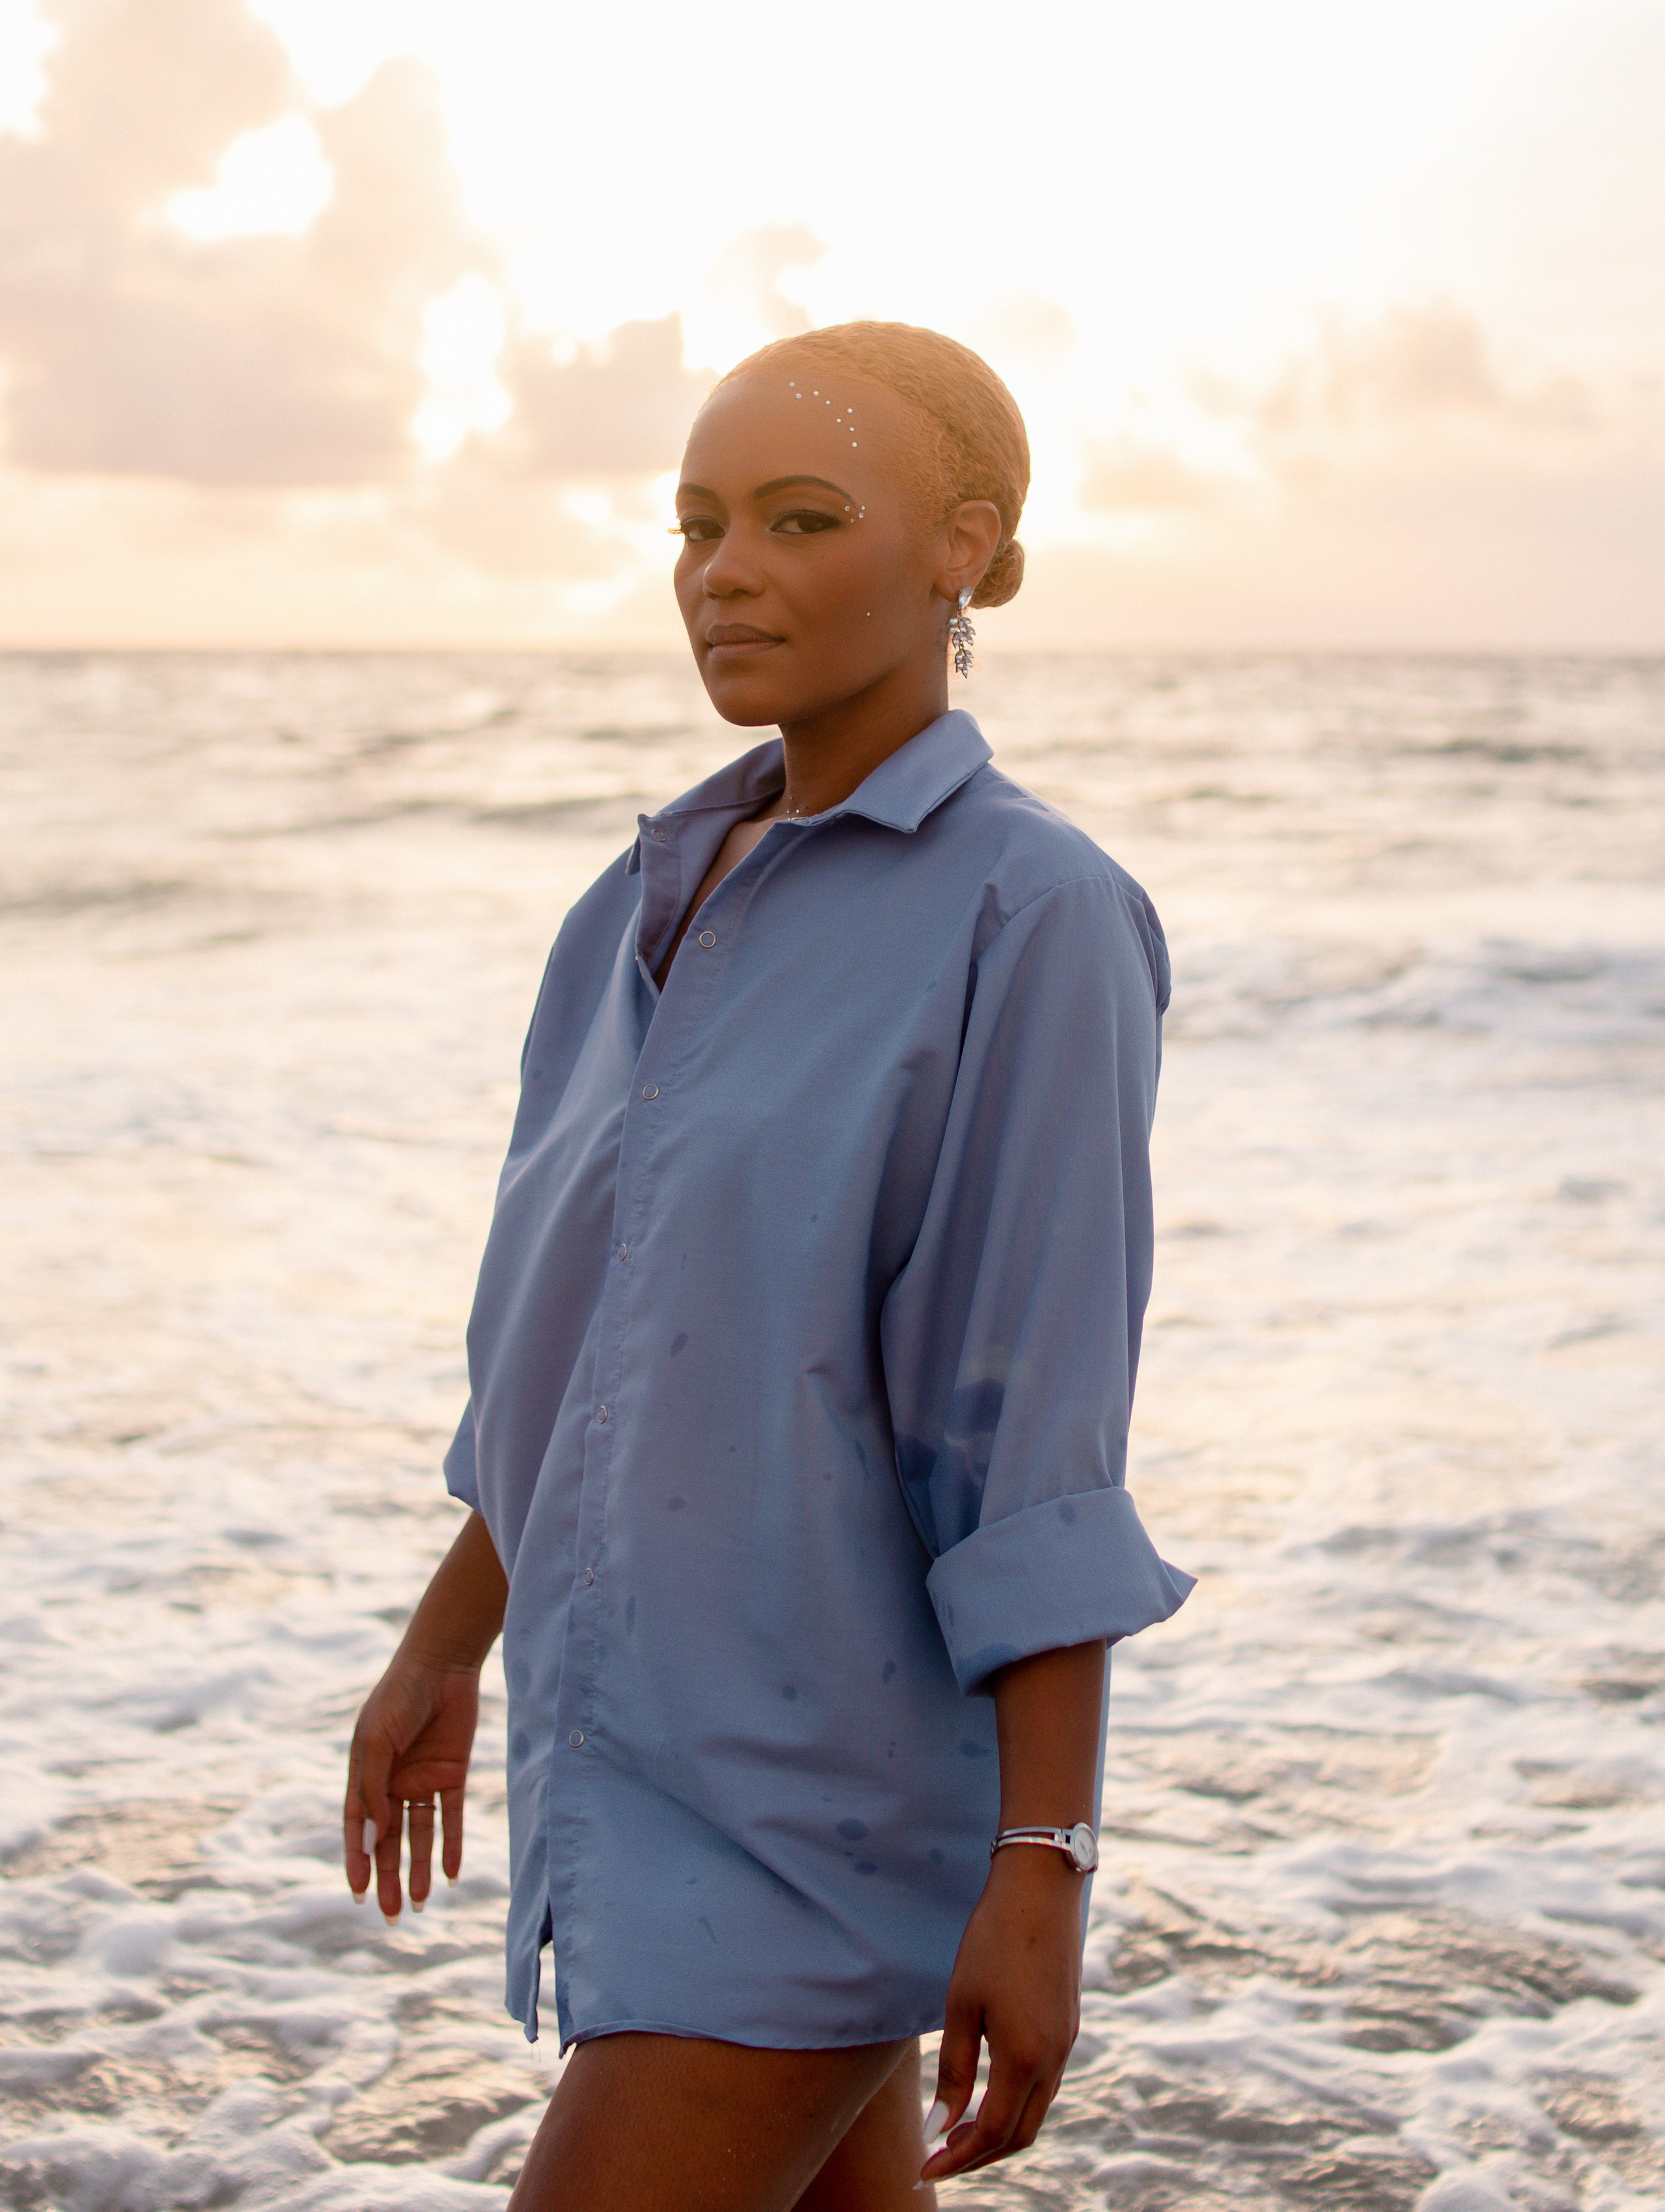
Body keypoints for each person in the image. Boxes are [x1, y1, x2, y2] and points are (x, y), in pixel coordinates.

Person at [342, 321, 1192, 2209]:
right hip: (631, 1747)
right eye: (698, 524)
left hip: (824, 1803)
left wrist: (1041, 1862)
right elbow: (607, 1354)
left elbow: (1031, 1439)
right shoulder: (636, 909)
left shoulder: (1031, 918)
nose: (726, 572)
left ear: (964, 547)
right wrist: (445, 1633)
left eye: (802, 519)